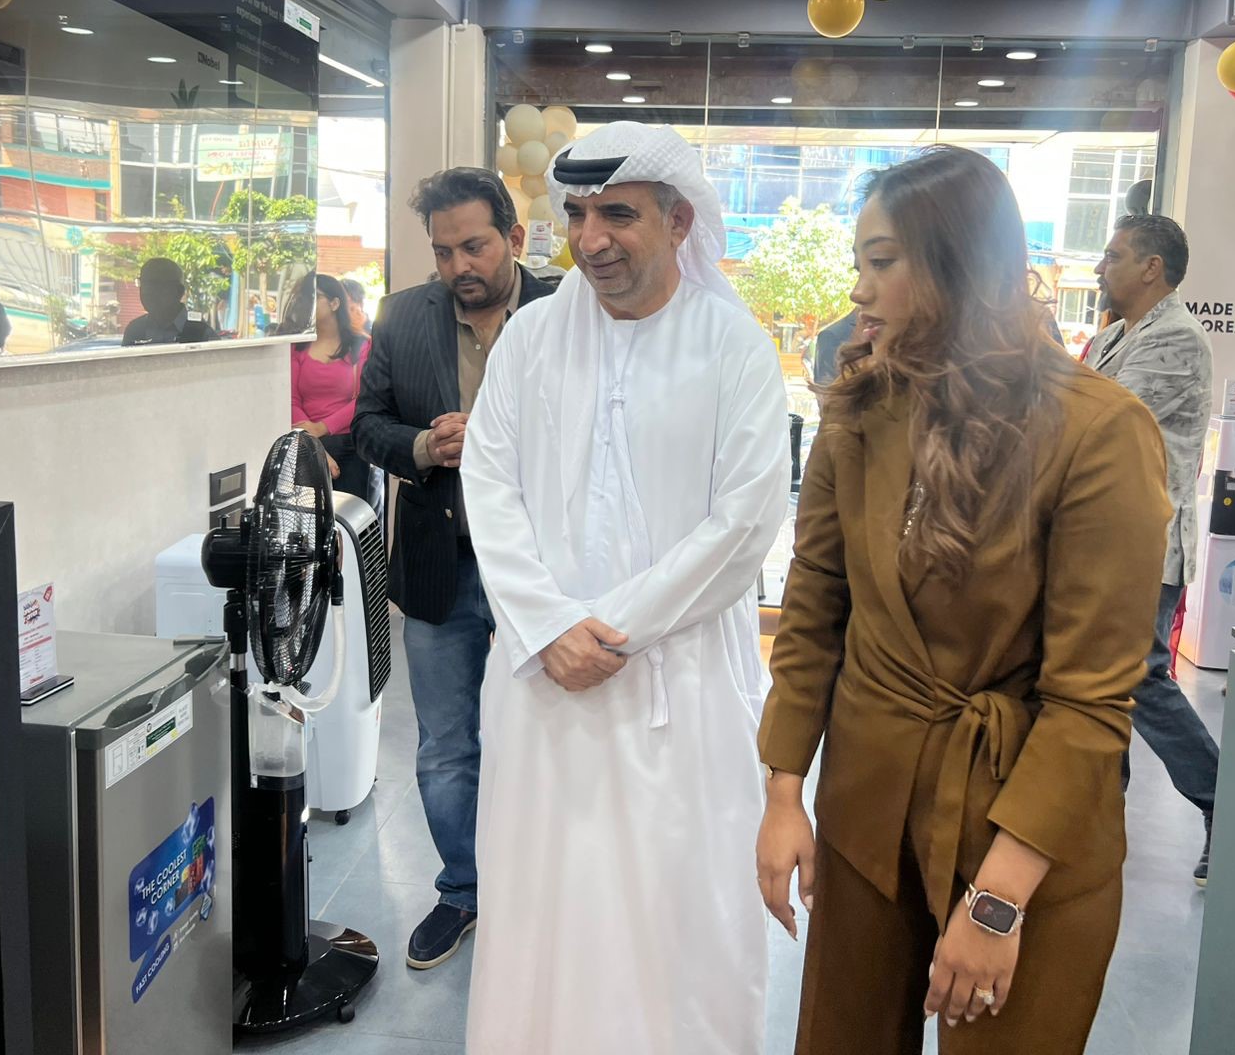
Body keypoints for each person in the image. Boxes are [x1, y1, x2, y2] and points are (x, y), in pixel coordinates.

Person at [756, 147, 1171, 1054]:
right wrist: (785, 791)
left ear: (958, 265)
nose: (858, 289)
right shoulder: (861, 408)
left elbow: (1092, 699)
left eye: (881, 262)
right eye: (859, 262)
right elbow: (816, 604)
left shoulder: (1099, 430)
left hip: (1023, 825)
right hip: (867, 805)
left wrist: (996, 901)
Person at [460, 122, 789, 1055]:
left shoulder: (733, 346)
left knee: (678, 917)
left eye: (618, 215)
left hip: (677, 693)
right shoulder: (531, 337)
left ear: (680, 222)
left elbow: (745, 522)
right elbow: (489, 483)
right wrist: (547, 626)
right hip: (543, 687)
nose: (591, 238)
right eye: (577, 214)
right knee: (543, 913)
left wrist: (614, 632)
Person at [349, 167, 555, 970]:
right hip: (442, 565)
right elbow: (367, 425)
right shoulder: (403, 316)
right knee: (444, 745)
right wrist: (423, 446)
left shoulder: (566, 310)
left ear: (514, 237)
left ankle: (541, 891)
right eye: (443, 252)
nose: (458, 266)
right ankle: (462, 892)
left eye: (474, 247)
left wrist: (506, 443)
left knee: (548, 738)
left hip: (542, 571)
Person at [1085, 214, 1221, 885]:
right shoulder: (1116, 335)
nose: (1099, 267)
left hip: (1146, 540)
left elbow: (1095, 418)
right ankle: (1094, 815)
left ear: (1151, 268)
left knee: (1139, 676)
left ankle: (1225, 802)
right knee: (1096, 679)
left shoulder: (1176, 340)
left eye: (1113, 256)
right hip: (1100, 538)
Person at [288, 274, 373, 499]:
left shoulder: (361, 344)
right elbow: (291, 399)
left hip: (349, 444)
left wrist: (322, 427)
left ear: (335, 303)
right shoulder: (297, 346)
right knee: (307, 515)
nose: (306, 302)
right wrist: (312, 439)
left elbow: (365, 398)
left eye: (314, 296)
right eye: (303, 297)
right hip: (305, 444)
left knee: (348, 514)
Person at [121, 258, 216, 345]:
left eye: (155, 284)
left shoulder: (201, 332)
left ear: (179, 291)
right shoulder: (135, 330)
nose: (146, 291)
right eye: (143, 283)